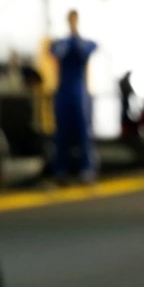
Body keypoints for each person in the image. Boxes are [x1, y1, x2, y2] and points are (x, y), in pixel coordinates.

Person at [48, 10, 99, 184]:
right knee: (61, 133)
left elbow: (87, 50)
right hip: (64, 92)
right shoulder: (61, 43)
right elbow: (54, 51)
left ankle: (86, 168)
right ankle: (61, 169)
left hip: (79, 93)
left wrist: (74, 39)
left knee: (84, 132)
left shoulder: (84, 43)